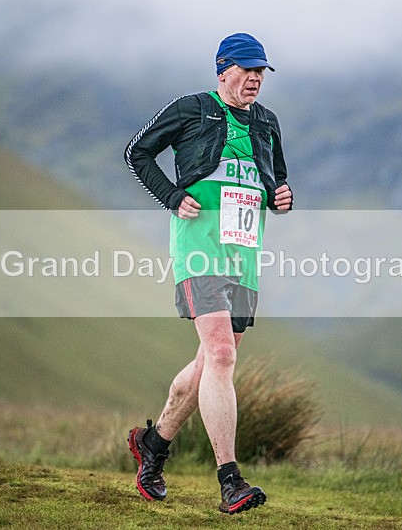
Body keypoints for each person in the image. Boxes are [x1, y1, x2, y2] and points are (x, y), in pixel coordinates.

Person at [123, 32, 292, 514]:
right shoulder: (192, 108)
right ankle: (230, 480)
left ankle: (152, 446)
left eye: (262, 71)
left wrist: (282, 197)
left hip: (244, 255)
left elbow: (275, 183)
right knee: (220, 355)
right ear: (223, 71)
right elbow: (137, 152)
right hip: (199, 249)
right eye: (247, 69)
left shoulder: (267, 122)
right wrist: (173, 197)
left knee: (207, 365)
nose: (256, 78)